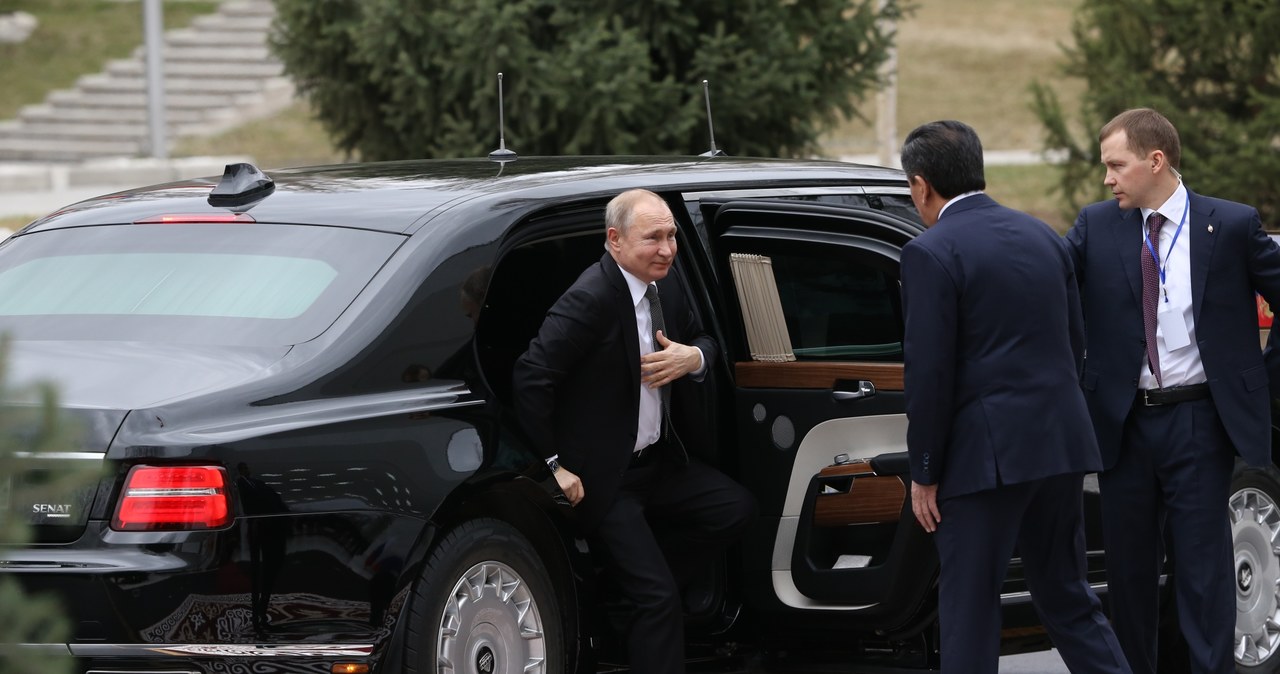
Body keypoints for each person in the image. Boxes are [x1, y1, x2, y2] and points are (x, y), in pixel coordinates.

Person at [899, 120, 1131, 674]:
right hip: (1058, 446)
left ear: (920, 185)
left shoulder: (929, 252)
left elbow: (929, 375)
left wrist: (924, 471)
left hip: (984, 462)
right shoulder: (1043, 236)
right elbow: (1074, 343)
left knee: (969, 609)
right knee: (1068, 597)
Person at [1065, 107, 1280, 674]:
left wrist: (1261, 378)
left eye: (1116, 165)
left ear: (1155, 161)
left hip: (1199, 422)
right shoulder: (1096, 224)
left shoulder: (1231, 225)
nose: (1107, 178)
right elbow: (1050, 288)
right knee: (1130, 576)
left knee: (1204, 573)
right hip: (1123, 424)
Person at [511, 188, 755, 674]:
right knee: (659, 598)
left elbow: (705, 337)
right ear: (614, 241)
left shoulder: (666, 284)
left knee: (735, 509)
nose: (667, 249)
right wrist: (554, 467)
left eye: (671, 236)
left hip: (658, 464)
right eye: (653, 238)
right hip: (606, 479)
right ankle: (639, 600)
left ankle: (620, 597)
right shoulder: (591, 297)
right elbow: (530, 376)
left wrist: (693, 357)